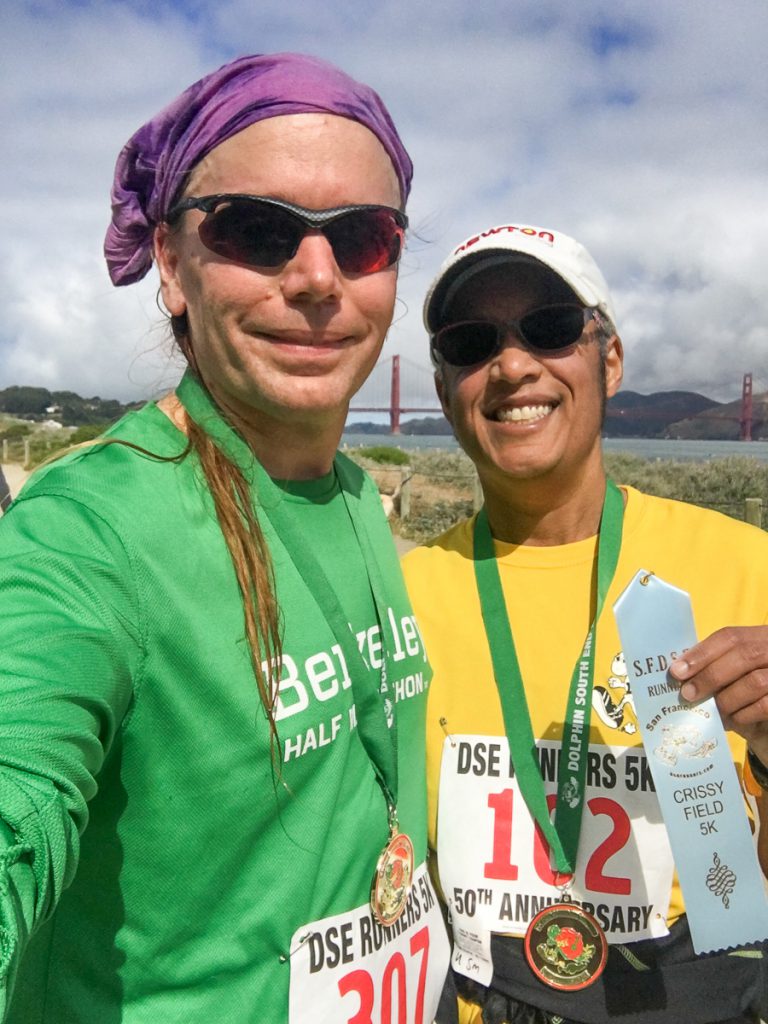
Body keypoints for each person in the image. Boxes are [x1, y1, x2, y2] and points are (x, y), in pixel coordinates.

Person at [0, 54, 450, 1022]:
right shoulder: (92, 529)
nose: (319, 277)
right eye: (258, 228)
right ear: (171, 262)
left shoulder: (356, 497)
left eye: (363, 238)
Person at [402, 221, 768, 1024]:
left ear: (611, 358)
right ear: (443, 391)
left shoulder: (749, 570)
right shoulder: (402, 597)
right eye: (471, 342)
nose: (511, 364)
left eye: (551, 328)